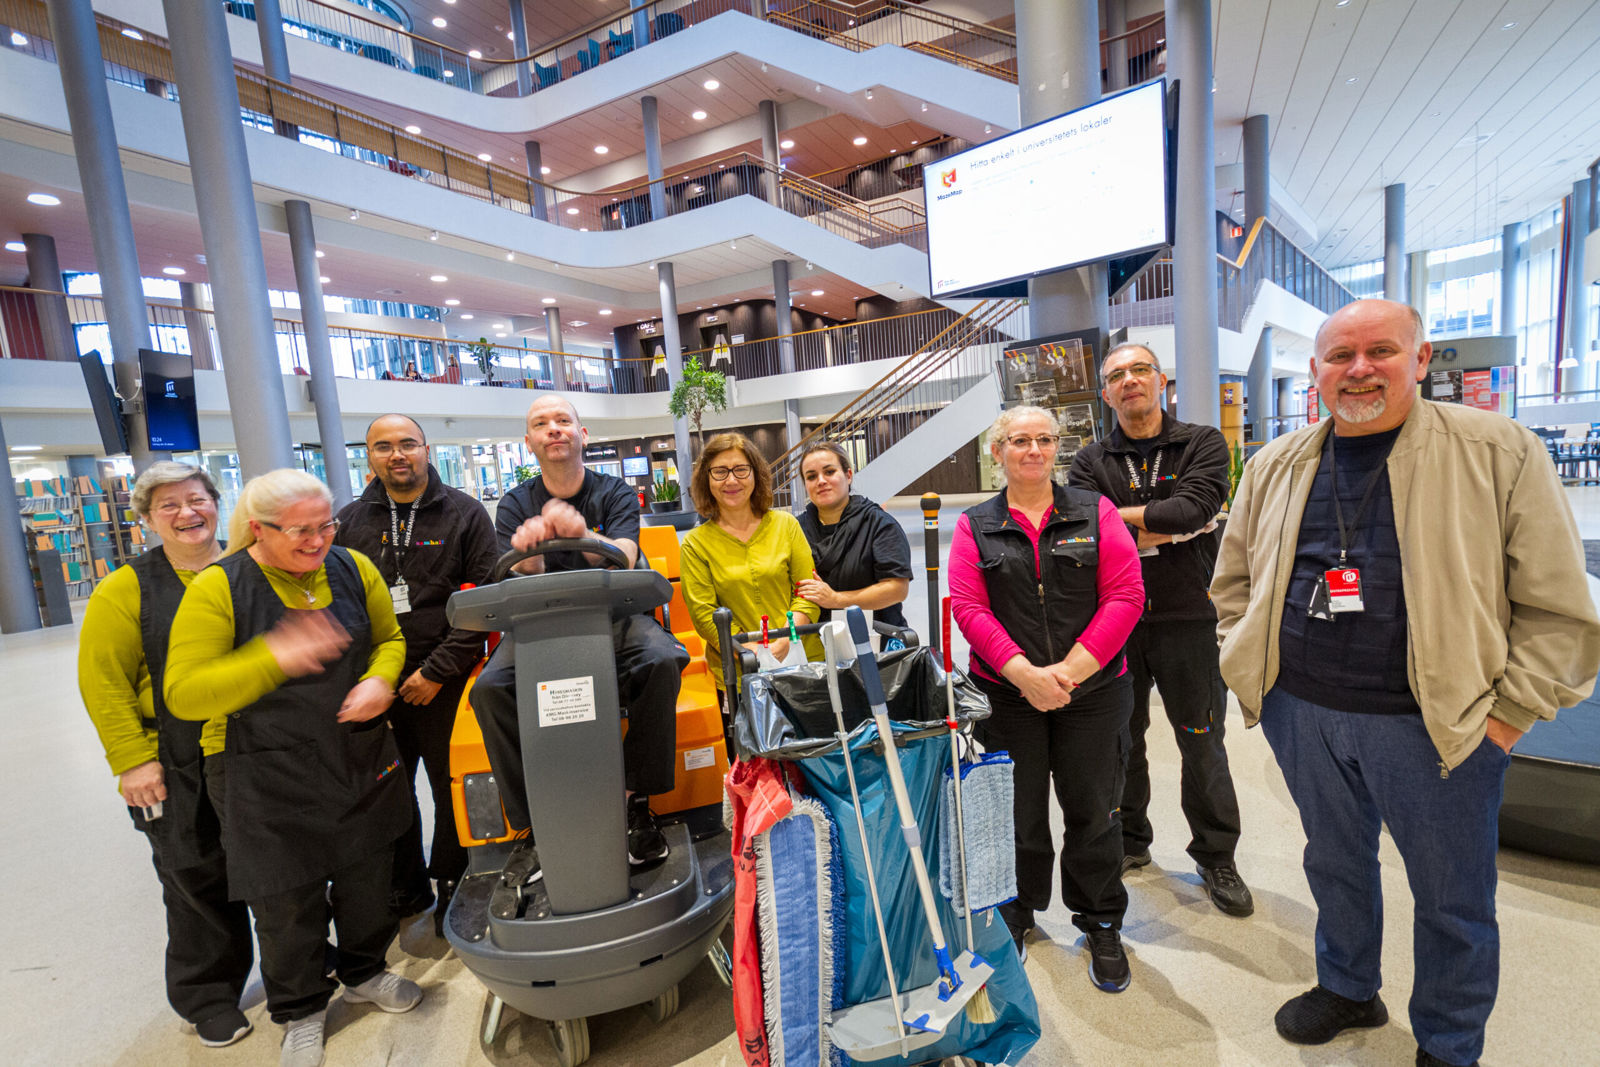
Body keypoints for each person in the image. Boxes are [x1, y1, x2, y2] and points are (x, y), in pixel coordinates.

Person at [1211, 299, 1600, 1067]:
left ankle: (1450, 1043)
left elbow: (1558, 603)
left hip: (1437, 724)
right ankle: (1350, 985)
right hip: (1304, 713)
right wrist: (1247, 661)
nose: (1359, 369)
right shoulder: (1275, 464)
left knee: (1452, 898)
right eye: (1339, 355)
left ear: (1420, 360)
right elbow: (1235, 580)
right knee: (1333, 860)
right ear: (1316, 370)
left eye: (1380, 351)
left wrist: (1511, 712)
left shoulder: (1497, 450)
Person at [165, 469, 421, 1067]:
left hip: (355, 754)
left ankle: (364, 970)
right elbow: (185, 693)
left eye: (326, 524)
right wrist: (272, 654)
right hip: (261, 770)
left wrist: (383, 679)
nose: (317, 540)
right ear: (258, 529)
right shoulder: (217, 588)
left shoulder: (354, 568)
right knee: (286, 903)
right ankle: (300, 1009)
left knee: (368, 882)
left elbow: (388, 638)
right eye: (299, 531)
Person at [949, 405, 1144, 991]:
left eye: (1044, 439)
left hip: (1095, 690)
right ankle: (1016, 914)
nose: (1032, 450)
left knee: (1096, 811)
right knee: (1016, 815)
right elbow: (969, 606)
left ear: (1057, 447)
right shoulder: (975, 524)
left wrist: (1069, 672)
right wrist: (1022, 674)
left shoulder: (1095, 510)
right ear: (997, 451)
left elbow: (1125, 594)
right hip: (1007, 695)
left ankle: (1101, 918)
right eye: (1018, 440)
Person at [1067, 343, 1252, 916]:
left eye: (1139, 370)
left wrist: (1129, 522)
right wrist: (1165, 528)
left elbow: (1194, 510)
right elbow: (1082, 531)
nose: (1129, 382)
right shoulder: (1089, 458)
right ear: (1106, 393)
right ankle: (1130, 842)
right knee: (1122, 741)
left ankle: (1216, 856)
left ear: (1161, 380)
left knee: (1201, 741)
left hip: (1189, 617)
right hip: (1114, 621)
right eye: (1117, 376)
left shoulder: (1200, 442)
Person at [76, 462, 255, 1049]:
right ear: (147, 518)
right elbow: (103, 682)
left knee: (277, 862)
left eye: (197, 500)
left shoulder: (248, 568)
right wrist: (132, 760)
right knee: (192, 871)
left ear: (215, 502)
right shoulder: (125, 589)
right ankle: (207, 993)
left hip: (253, 743)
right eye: (169, 506)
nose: (187, 514)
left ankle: (297, 966)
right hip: (171, 753)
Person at [470, 395, 687, 875]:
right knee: (489, 691)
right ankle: (532, 823)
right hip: (540, 622)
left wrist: (583, 535)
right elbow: (518, 572)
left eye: (563, 420)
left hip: (615, 616)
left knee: (662, 661)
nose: (554, 429)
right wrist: (528, 553)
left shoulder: (615, 492)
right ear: (529, 442)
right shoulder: (513, 504)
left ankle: (634, 799)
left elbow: (626, 556)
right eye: (541, 424)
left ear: (581, 434)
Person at [335, 414, 499, 937]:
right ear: (370, 456)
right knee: (387, 792)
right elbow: (339, 608)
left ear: (427, 450)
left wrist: (436, 671)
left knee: (451, 784)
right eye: (383, 447)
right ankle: (405, 889)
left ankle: (452, 877)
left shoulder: (465, 514)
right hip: (374, 685)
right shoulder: (349, 521)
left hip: (446, 677)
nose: (397, 455)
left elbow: (482, 604)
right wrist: (371, 680)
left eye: (408, 444)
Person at [679, 432, 822, 738]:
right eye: (720, 471)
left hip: (802, 661)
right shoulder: (695, 544)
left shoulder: (786, 526)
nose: (731, 480)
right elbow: (705, 616)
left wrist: (786, 637)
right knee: (756, 766)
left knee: (813, 755)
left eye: (741, 470)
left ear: (756, 475)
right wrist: (750, 651)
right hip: (739, 673)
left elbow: (808, 592)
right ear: (706, 479)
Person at [794, 441, 912, 632]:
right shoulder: (796, 529)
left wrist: (836, 599)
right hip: (817, 645)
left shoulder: (878, 524)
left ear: (848, 476)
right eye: (811, 476)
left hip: (875, 641)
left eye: (830, 472)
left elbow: (896, 589)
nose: (821, 481)